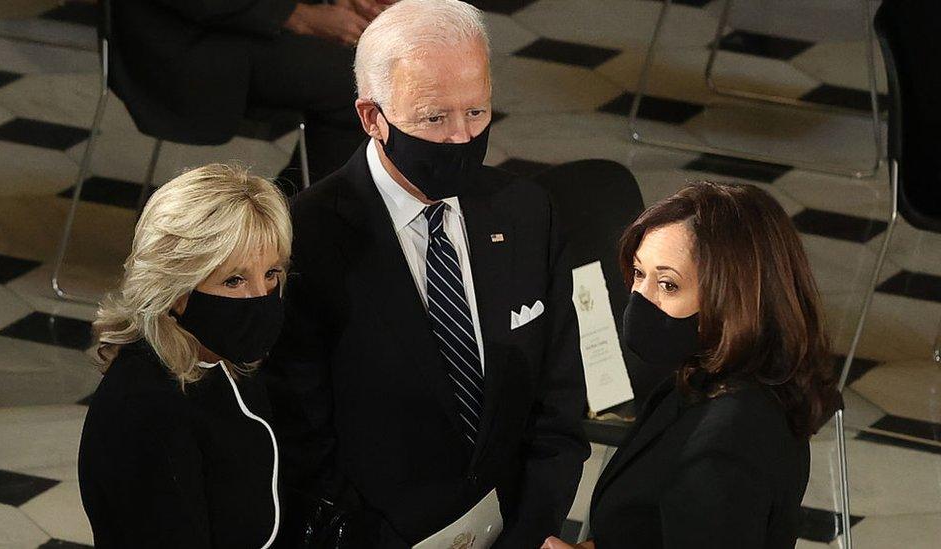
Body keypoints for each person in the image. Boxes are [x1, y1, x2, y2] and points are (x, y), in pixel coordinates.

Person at [263, 0, 590, 546]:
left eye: (478, 112)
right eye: (435, 118)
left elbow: (557, 408)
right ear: (373, 118)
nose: (462, 138)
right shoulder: (305, 239)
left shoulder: (528, 213)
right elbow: (302, 442)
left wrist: (529, 534)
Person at [543, 182, 841, 549]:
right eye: (639, 274)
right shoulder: (705, 378)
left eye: (668, 285)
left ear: (731, 299)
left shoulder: (725, 444)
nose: (640, 300)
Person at [78, 164, 292, 548]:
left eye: (272, 273)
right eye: (234, 280)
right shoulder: (145, 410)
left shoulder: (222, 361)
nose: (262, 296)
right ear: (175, 289)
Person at [109, 0, 396, 185]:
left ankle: (292, 225)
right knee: (358, 86)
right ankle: (292, 230)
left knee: (382, 63)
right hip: (181, 40)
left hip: (236, 25)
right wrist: (299, 15)